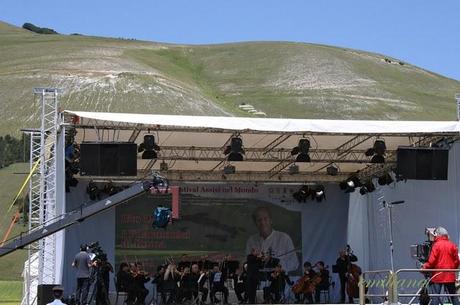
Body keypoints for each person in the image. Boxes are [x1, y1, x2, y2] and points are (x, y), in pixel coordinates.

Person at [245, 206, 299, 273]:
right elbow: (247, 263)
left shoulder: (284, 238)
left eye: (265, 219)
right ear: (255, 223)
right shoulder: (251, 241)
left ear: (271, 220)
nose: (262, 223)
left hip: (278, 280)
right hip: (257, 282)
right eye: (259, 220)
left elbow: (294, 264)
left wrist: (275, 264)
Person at [422, 227, 460, 305]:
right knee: (454, 297)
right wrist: (452, 269)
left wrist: (424, 267)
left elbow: (431, 261)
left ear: (438, 235)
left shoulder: (436, 245)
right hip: (450, 275)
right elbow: (457, 261)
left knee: (435, 298)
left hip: (437, 276)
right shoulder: (452, 245)